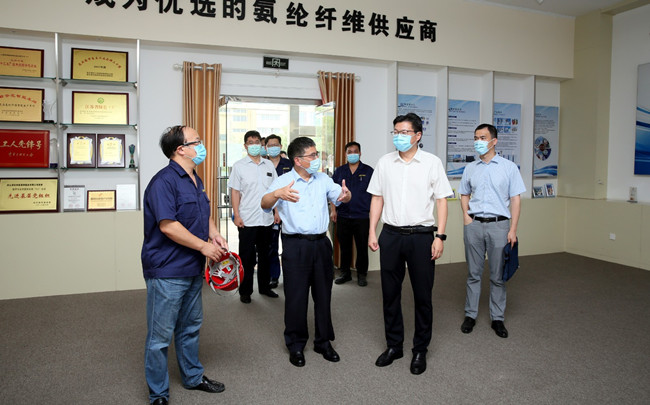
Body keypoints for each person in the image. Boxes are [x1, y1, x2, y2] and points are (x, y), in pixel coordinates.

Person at [142, 125, 229, 405]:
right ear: (181, 149)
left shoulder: (195, 178)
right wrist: (203, 246)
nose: (202, 146)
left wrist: (214, 234)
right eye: (197, 142)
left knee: (190, 327)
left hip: (192, 267)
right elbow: (168, 225)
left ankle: (193, 377)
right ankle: (158, 393)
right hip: (167, 269)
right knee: (159, 337)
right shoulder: (163, 182)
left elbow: (203, 211)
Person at [367, 113, 452, 375]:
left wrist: (440, 236)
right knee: (390, 294)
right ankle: (394, 346)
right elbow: (377, 198)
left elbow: (442, 201)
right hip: (391, 235)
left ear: (418, 135)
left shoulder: (431, 163)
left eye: (404, 132)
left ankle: (420, 349)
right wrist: (372, 231)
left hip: (421, 237)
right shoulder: (385, 162)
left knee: (422, 295)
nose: (399, 137)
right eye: (395, 132)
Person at [261, 136, 351, 368]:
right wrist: (277, 194)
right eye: (312, 155)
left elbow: (341, 196)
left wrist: (346, 195)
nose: (317, 158)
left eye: (316, 153)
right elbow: (264, 203)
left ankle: (323, 342)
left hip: (321, 244)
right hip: (295, 245)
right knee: (296, 296)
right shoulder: (284, 181)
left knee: (323, 295)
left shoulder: (323, 179)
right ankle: (296, 344)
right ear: (298, 160)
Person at [459, 123, 525, 339]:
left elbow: (515, 199)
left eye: (483, 138)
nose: (478, 141)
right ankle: (470, 315)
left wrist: (513, 229)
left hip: (500, 226)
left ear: (494, 141)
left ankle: (497, 318)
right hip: (474, 225)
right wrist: (466, 217)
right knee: (473, 273)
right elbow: (464, 194)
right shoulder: (470, 168)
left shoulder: (509, 168)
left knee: (498, 275)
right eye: (476, 138)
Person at [228, 130, 279, 304]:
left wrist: (277, 212)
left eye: (257, 142)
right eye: (251, 142)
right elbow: (235, 192)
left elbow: (275, 191)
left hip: (266, 219)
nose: (254, 145)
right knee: (247, 258)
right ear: (245, 146)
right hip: (247, 219)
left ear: (261, 144)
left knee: (266, 256)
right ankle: (245, 291)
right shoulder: (239, 166)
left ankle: (264, 287)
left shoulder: (269, 165)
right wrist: (236, 215)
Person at [331, 141, 374, 287]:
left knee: (362, 247)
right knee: (345, 247)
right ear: (345, 154)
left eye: (355, 151)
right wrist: (333, 210)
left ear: (360, 153)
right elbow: (332, 193)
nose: (353, 154)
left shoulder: (368, 171)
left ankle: (362, 274)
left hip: (362, 216)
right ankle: (345, 273)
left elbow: (375, 195)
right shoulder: (340, 171)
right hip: (343, 215)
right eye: (349, 152)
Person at [265, 134, 293, 289]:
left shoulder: (289, 164)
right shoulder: (263, 164)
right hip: (269, 212)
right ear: (266, 147)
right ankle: (273, 276)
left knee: (289, 246)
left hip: (288, 211)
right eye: (270, 145)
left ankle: (290, 276)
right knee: (272, 246)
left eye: (276, 145)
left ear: (281, 146)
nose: (273, 148)